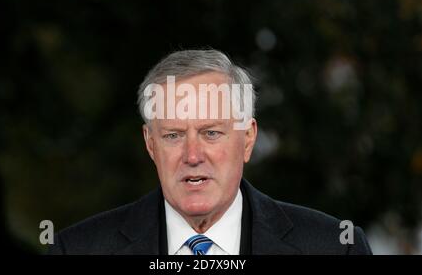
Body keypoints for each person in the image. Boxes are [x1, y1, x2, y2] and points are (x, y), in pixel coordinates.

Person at [48, 49, 372, 255]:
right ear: (150, 144)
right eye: (173, 135)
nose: (192, 155)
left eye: (211, 133)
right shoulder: (76, 249)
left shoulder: (334, 248)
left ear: (247, 139)